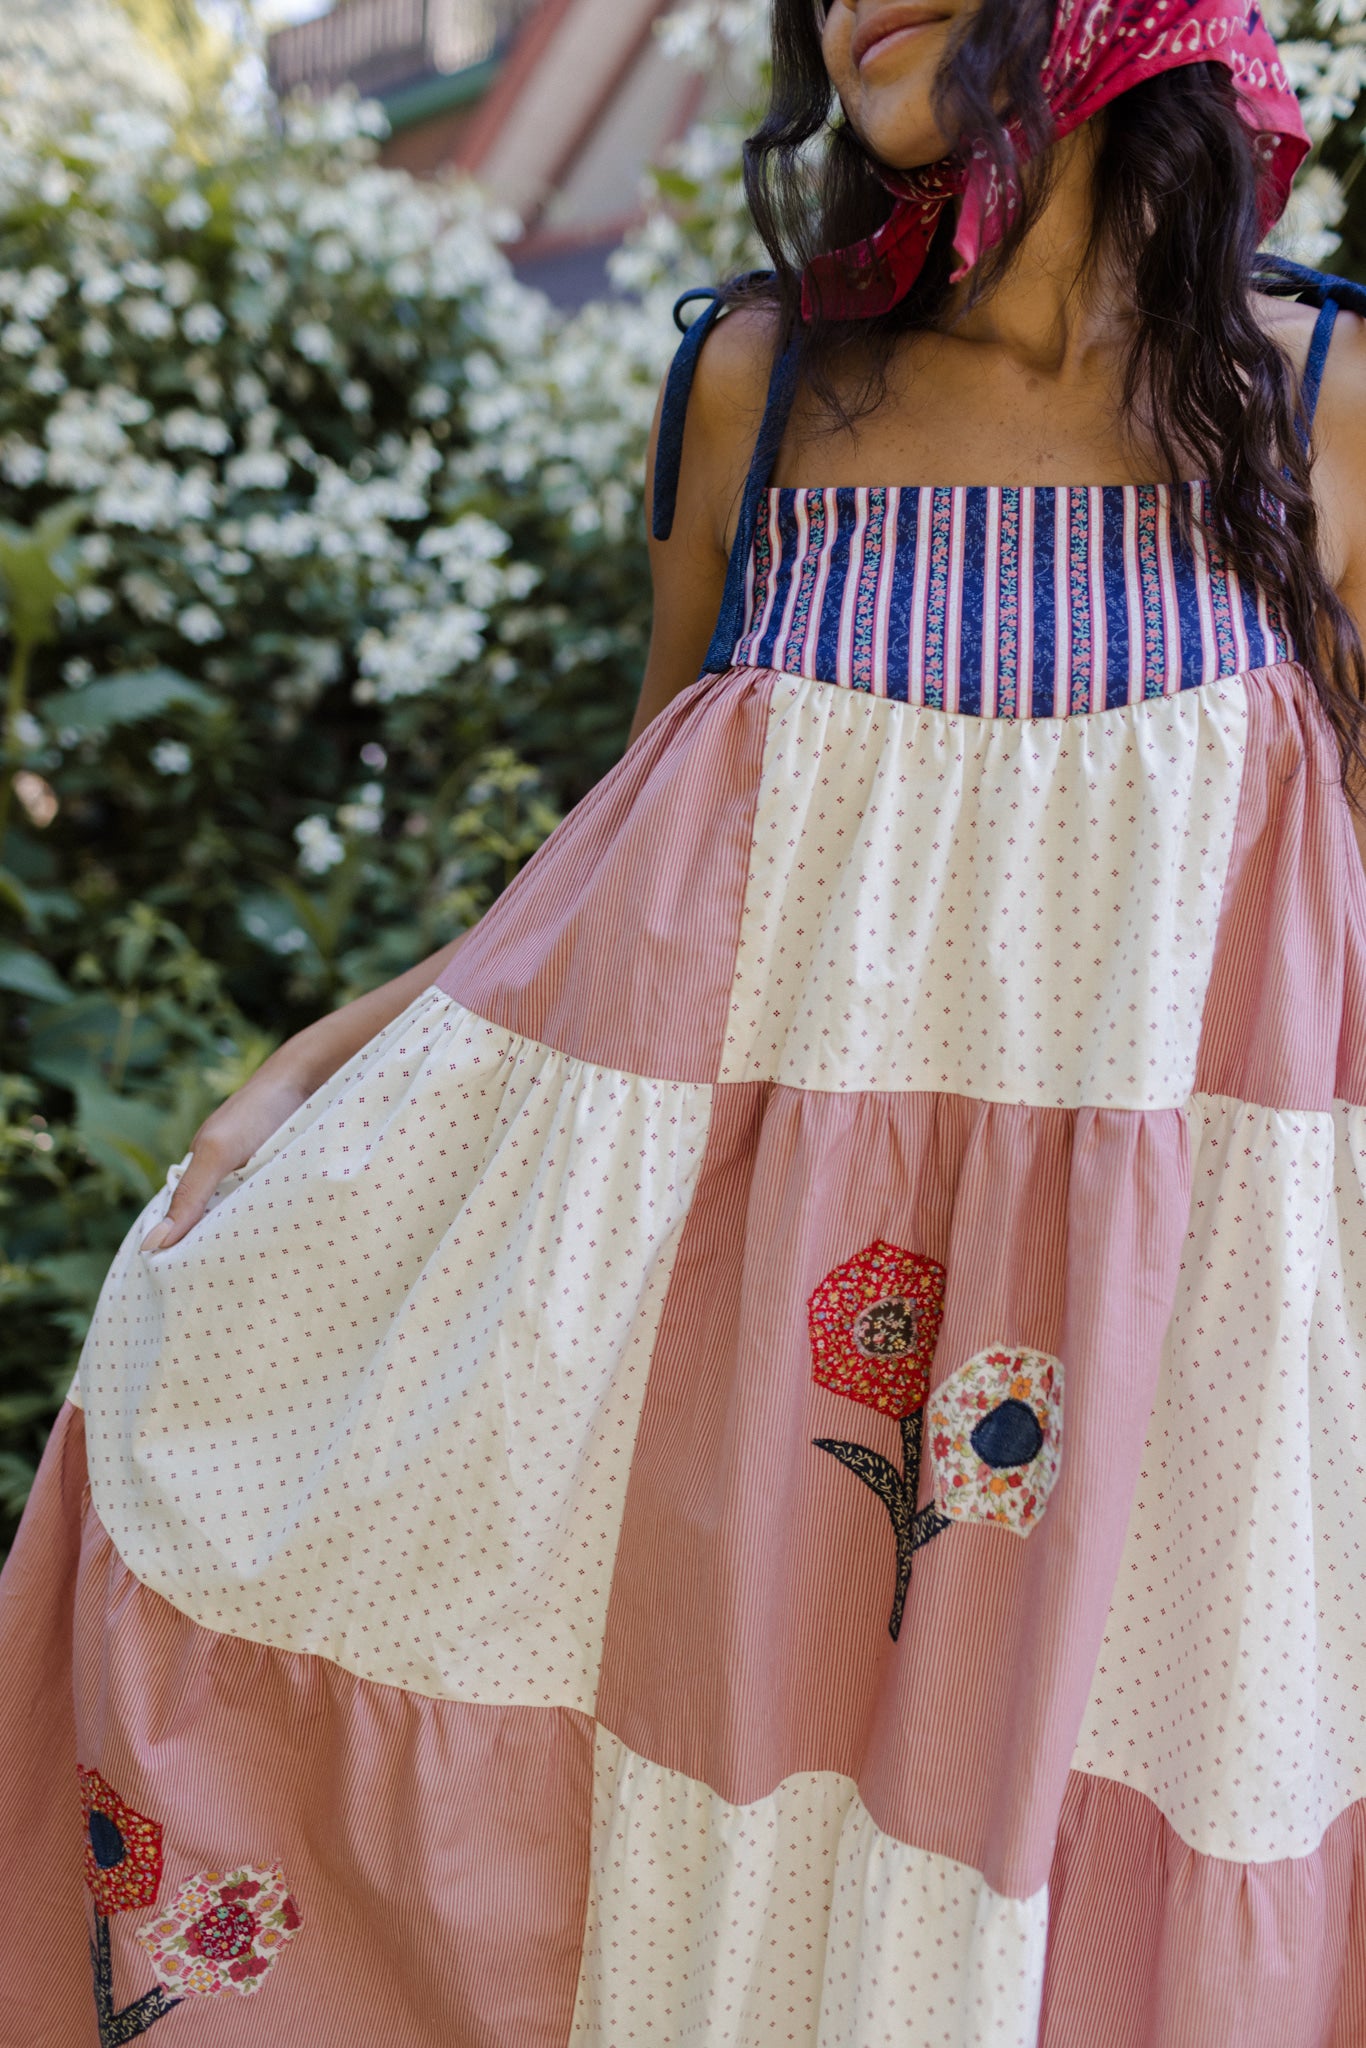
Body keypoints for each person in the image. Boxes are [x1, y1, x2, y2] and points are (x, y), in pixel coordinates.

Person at [4, 0, 1366, 2040]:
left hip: (1172, 1400)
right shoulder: (761, 386)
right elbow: (631, 854)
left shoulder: (1320, 399)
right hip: (773, 1362)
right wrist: (325, 1059)